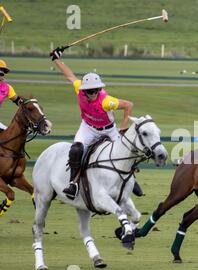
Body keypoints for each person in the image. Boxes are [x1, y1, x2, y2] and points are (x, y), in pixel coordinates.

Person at [49, 47, 143, 200]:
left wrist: (124, 127)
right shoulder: (79, 88)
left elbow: (129, 105)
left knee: (126, 151)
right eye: (90, 91)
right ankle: (73, 183)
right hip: (88, 127)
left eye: (95, 90)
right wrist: (56, 59)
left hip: (109, 130)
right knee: (76, 150)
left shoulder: (106, 101)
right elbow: (69, 75)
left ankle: (132, 180)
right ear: (84, 90)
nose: (93, 94)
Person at [0, 59, 25, 131]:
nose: (1, 76)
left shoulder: (7, 88)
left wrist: (29, 105)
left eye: (2, 73)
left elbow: (18, 101)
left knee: (8, 136)